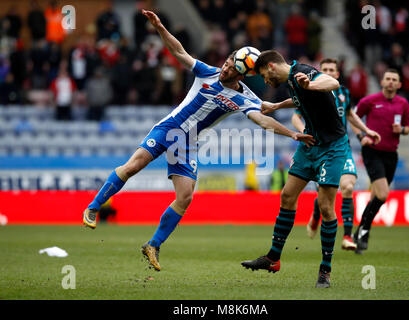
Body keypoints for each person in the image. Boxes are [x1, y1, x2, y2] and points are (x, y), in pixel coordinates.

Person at [82, 10, 314, 272]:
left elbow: (262, 119)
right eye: (227, 61)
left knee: (185, 196)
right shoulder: (207, 72)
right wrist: (160, 27)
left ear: (242, 75)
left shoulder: (243, 97)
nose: (225, 67)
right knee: (133, 166)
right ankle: (93, 207)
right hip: (168, 129)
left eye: (232, 68)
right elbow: (179, 52)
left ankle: (153, 244)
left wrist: (292, 133)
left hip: (188, 145)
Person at [241, 50, 348, 288]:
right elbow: (299, 99)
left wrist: (312, 84)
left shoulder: (303, 72)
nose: (266, 82)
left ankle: (325, 270)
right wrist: (277, 105)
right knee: (287, 195)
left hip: (332, 148)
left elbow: (333, 82)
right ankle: (273, 258)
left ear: (270, 67)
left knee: (326, 206)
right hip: (309, 143)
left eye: (264, 77)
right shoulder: (292, 80)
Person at [291, 58, 380, 251]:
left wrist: (366, 131)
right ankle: (316, 216)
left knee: (347, 187)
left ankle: (347, 236)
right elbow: (295, 116)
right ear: (319, 72)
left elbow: (350, 115)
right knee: (325, 197)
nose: (329, 72)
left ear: (338, 75)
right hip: (321, 148)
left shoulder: (344, 93)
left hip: (342, 147)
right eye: (325, 69)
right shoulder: (310, 91)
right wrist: (303, 133)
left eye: (332, 69)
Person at [352, 69, 409, 254]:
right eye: (388, 79)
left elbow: (408, 128)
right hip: (372, 151)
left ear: (399, 84)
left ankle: (359, 233)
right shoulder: (369, 101)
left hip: (391, 154)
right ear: (382, 81)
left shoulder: (403, 104)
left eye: (395, 79)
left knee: (376, 195)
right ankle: (365, 231)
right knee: (383, 194)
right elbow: (353, 119)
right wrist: (362, 136)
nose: (391, 82)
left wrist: (400, 129)